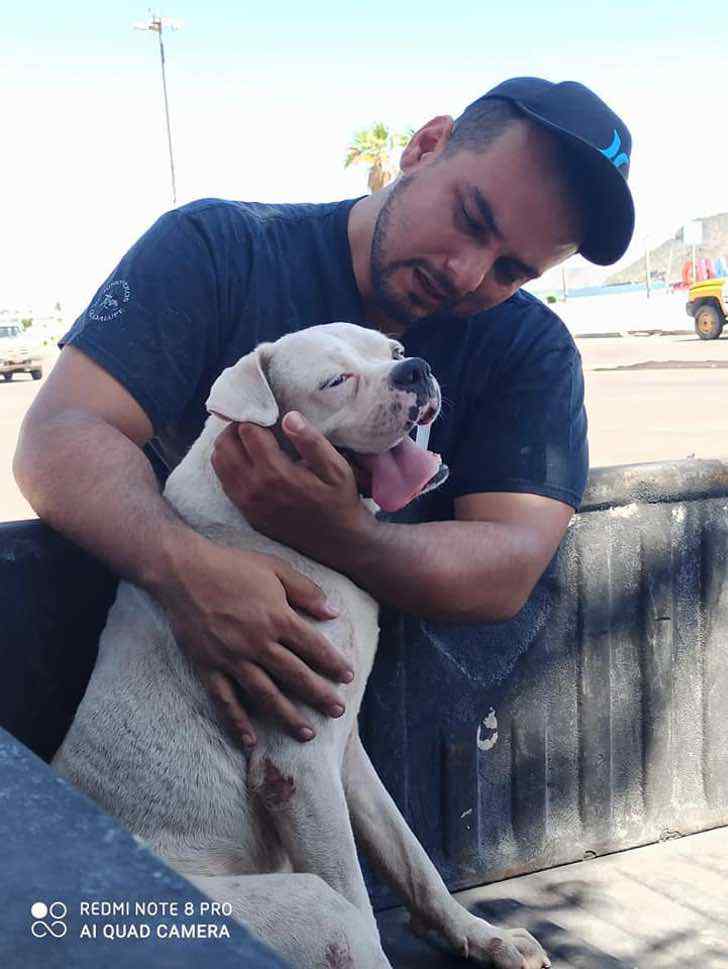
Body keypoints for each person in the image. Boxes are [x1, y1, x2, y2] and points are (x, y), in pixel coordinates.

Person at [14, 77, 634, 752]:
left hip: (406, 754)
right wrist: (188, 572)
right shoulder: (220, 250)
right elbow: (60, 433)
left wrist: (344, 534)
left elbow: (509, 562)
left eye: (511, 270)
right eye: (471, 218)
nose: (466, 273)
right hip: (167, 727)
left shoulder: (529, 349)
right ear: (426, 147)